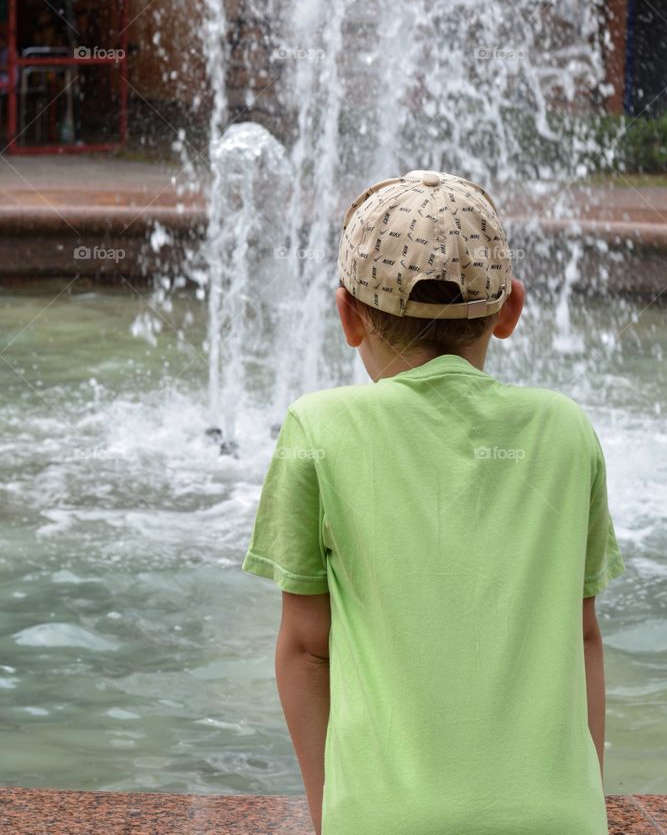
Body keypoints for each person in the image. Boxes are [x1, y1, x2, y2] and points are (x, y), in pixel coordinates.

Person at [242, 169, 625, 835]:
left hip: (386, 819)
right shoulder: (565, 429)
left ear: (347, 316)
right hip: (558, 819)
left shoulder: (318, 429)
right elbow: (582, 634)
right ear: (510, 310)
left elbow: (305, 650)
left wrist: (333, 816)